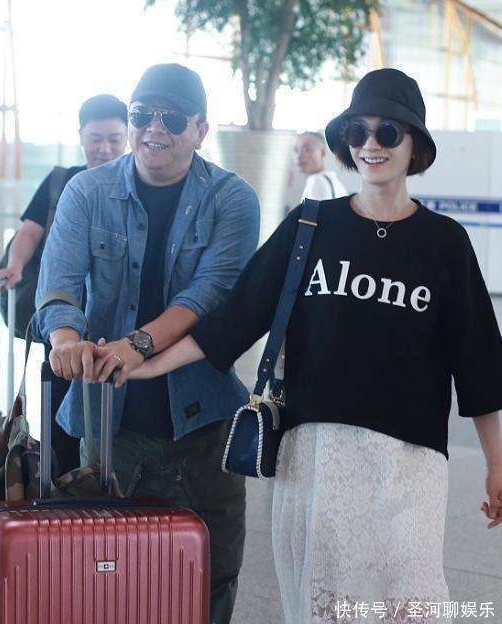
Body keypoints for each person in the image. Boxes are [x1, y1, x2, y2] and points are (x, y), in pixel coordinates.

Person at [123, 68, 502, 623]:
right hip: (319, 454)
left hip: (411, 462)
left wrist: (497, 464)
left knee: (413, 600)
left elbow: (478, 362)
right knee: (325, 605)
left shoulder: (445, 243)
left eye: (387, 132)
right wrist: (149, 364)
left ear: (414, 144)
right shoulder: (311, 226)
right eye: (357, 132)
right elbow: (236, 318)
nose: (371, 145)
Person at [34, 63, 260, 623]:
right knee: (103, 579)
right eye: (142, 115)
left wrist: (136, 345)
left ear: (200, 130)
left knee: (210, 574)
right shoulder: (87, 191)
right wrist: (66, 339)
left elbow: (210, 292)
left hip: (205, 424)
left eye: (173, 118)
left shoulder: (232, 199)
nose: (154, 128)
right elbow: (58, 284)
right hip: (107, 425)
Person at [0, 94, 128, 475]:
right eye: (96, 138)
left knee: (112, 417)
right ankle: (62, 489)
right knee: (59, 414)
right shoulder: (61, 182)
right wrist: (15, 266)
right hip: (62, 323)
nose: (105, 149)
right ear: (81, 136)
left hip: (116, 325)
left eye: (114, 139)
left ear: (128, 137)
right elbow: (30, 231)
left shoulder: (137, 186)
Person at [294, 131, 346, 200]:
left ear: (322, 152)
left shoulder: (317, 181)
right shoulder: (336, 183)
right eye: (296, 150)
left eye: (306, 149)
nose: (299, 156)